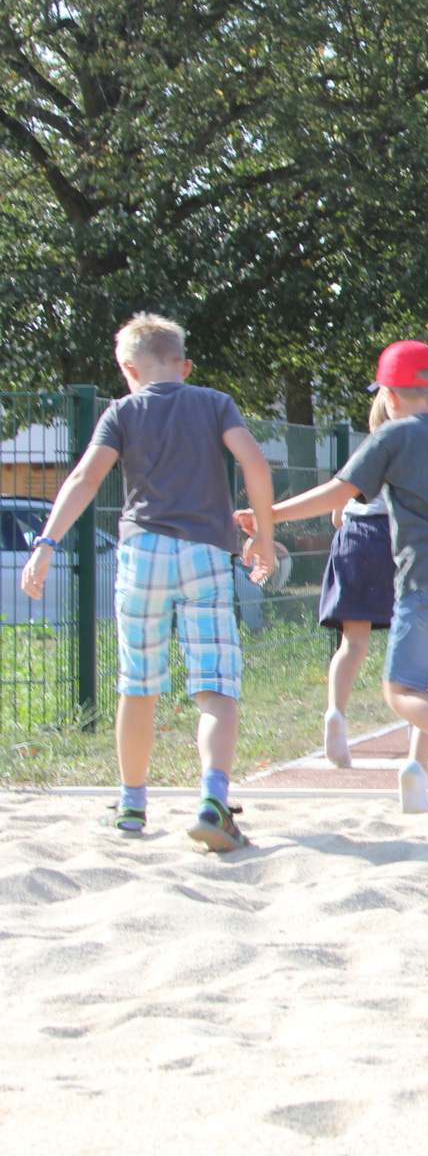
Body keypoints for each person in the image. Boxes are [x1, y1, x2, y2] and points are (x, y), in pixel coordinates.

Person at [21, 313, 276, 849]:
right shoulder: (214, 403)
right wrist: (265, 535)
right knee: (215, 685)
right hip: (205, 551)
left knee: (138, 684)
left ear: (127, 368)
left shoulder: (122, 411)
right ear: (184, 364)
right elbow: (253, 461)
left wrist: (45, 543)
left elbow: (85, 477)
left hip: (142, 553)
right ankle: (212, 800)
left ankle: (132, 806)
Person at [259, 340, 428, 844]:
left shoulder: (393, 437)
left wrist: (269, 516)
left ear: (389, 395)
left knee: (402, 691)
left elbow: (336, 495)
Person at [314, 393, 397, 770]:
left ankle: (335, 712)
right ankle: (417, 725)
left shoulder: (361, 453)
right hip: (390, 539)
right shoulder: (406, 452)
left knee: (353, 642)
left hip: (351, 537)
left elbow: (335, 516)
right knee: (409, 634)